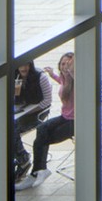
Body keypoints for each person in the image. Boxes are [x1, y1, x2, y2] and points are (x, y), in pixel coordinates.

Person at [23, 50, 76, 187]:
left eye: (68, 64)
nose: (65, 67)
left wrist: (72, 71)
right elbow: (62, 82)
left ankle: (38, 171)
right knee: (42, 129)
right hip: (65, 117)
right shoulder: (65, 79)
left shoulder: (78, 80)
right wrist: (53, 74)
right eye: (62, 64)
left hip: (77, 121)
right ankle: (39, 171)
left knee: (43, 139)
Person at [8, 59, 50, 181]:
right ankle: (17, 159)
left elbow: (47, 101)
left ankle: (23, 159)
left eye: (26, 64)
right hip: (19, 111)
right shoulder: (13, 77)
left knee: (11, 128)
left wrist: (29, 110)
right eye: (21, 64)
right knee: (2, 128)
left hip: (37, 113)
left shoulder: (40, 77)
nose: (24, 68)